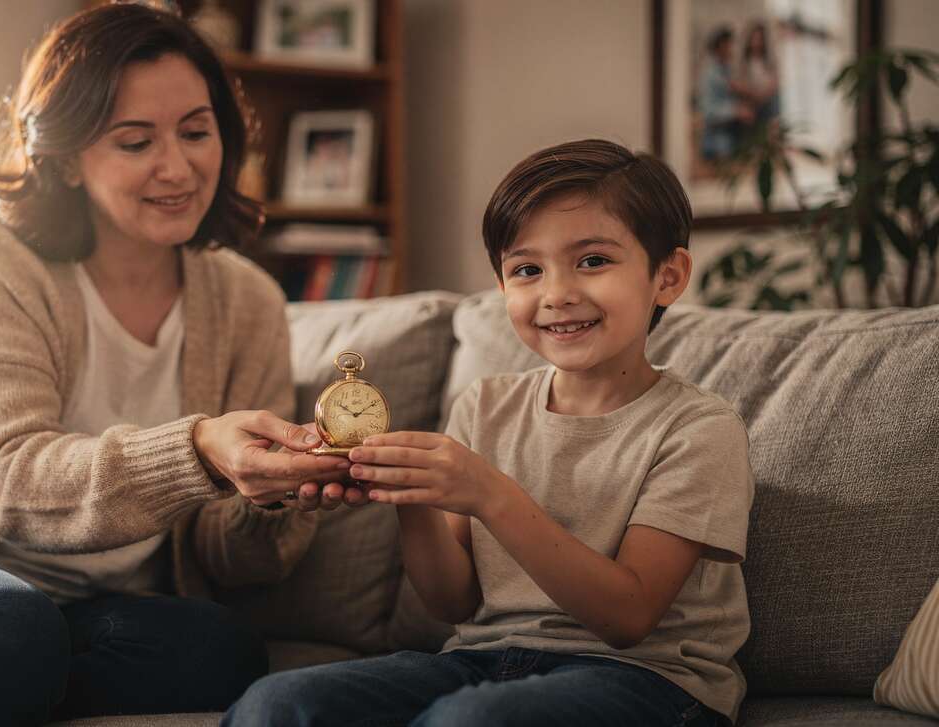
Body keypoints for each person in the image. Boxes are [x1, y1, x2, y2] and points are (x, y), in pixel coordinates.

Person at [0, 5, 360, 725]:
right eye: (135, 140)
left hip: (75, 608)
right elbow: (8, 482)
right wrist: (200, 448)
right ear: (64, 157)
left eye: (195, 130)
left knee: (221, 650)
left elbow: (229, 559)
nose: (176, 166)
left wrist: (270, 495)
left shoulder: (248, 300)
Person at [224, 139, 754, 727]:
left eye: (593, 261)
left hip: (648, 682)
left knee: (472, 721)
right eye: (527, 270)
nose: (556, 294)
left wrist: (489, 493)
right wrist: (411, 496)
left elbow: (628, 617)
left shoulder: (699, 429)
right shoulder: (486, 405)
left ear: (668, 276)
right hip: (484, 661)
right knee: (274, 704)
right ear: (503, 287)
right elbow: (454, 603)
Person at [697, 27, 753, 161]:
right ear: (720, 47)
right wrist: (736, 112)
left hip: (732, 137)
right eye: (729, 45)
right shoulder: (710, 75)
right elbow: (708, 112)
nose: (732, 49)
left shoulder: (727, 71)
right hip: (717, 142)